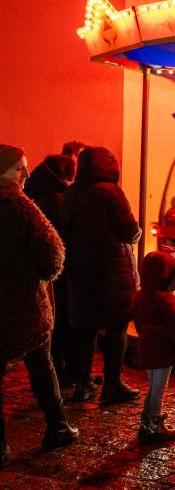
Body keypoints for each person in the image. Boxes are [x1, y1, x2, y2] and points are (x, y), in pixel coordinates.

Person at [0, 145, 78, 465]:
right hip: (24, 304)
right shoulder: (17, 205)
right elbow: (52, 257)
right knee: (42, 362)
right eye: (20, 168)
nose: (26, 175)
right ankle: (57, 426)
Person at [60, 146, 142, 405]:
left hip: (80, 271)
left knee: (85, 329)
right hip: (112, 274)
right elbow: (129, 230)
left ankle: (83, 383)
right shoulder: (111, 193)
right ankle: (113, 383)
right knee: (116, 327)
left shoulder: (73, 193)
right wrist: (136, 234)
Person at [23, 154, 76, 384]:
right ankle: (59, 372)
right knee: (59, 320)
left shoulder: (38, 192)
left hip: (44, 272)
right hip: (57, 272)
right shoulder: (55, 199)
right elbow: (59, 239)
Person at [132, 251, 175, 444]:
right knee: (159, 388)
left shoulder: (140, 295)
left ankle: (146, 423)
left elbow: (138, 323)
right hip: (162, 348)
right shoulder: (166, 298)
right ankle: (154, 426)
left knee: (153, 386)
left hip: (146, 346)